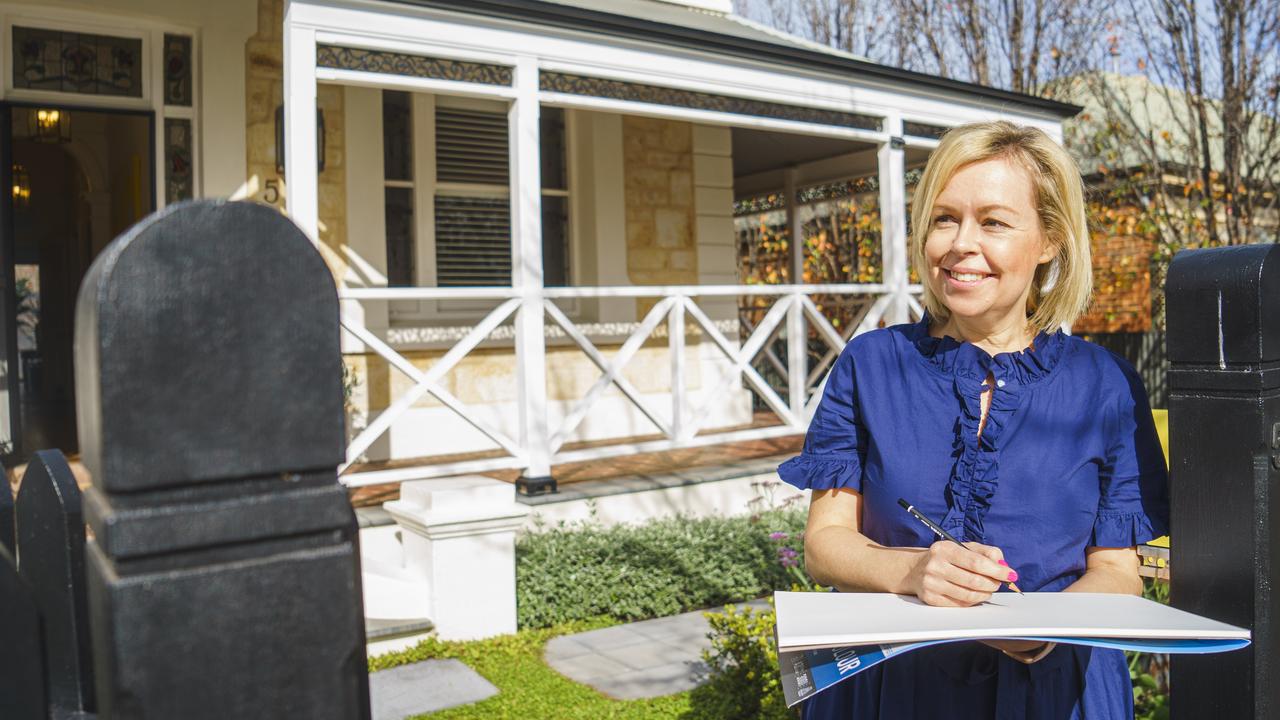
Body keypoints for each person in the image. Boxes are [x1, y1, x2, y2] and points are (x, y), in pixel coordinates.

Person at [778, 120, 1169, 719]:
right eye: (944, 218)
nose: (961, 243)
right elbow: (824, 545)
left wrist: (1042, 633)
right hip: (889, 691)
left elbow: (1117, 570)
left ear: (1050, 240)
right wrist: (911, 569)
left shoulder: (1106, 386)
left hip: (1054, 693)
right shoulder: (872, 365)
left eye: (993, 222)